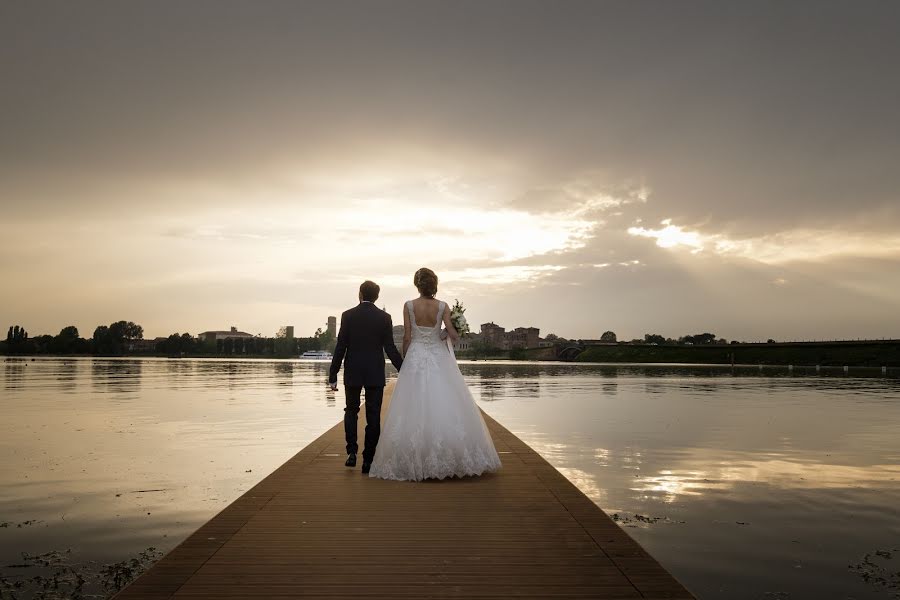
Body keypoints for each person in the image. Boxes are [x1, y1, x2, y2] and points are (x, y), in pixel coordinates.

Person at [368, 268, 502, 481]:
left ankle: (413, 455)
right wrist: (456, 327)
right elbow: (453, 335)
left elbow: (407, 336)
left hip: (416, 354)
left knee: (412, 403)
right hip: (439, 356)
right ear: (434, 284)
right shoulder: (443, 306)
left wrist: (406, 358)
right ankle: (450, 455)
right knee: (444, 400)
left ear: (417, 284)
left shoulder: (409, 305)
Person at [328, 280, 403, 474]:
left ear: (360, 294)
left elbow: (341, 346)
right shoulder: (384, 318)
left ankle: (351, 453)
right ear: (377, 297)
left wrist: (333, 373)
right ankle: (368, 459)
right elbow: (389, 348)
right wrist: (403, 368)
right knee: (373, 416)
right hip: (374, 372)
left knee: (350, 410)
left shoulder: (347, 316)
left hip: (353, 371)